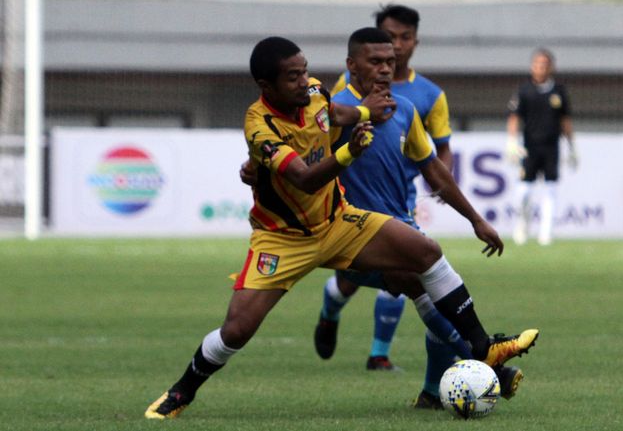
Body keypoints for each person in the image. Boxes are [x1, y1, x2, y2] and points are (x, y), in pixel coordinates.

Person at [145, 36, 536, 420]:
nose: (305, 81)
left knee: (426, 253)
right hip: (283, 239)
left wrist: (364, 113)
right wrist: (349, 151)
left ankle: (484, 349)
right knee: (237, 331)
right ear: (267, 86)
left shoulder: (316, 91)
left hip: (338, 221)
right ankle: (182, 391)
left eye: (305, 71)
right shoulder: (259, 126)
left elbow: (334, 113)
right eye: (293, 77)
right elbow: (305, 179)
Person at [316, 27, 532, 409]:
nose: (385, 68)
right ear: (351, 65)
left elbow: (434, 171)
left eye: (390, 62)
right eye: (375, 61)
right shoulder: (335, 111)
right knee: (421, 284)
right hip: (350, 237)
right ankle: (487, 360)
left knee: (436, 292)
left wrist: (475, 219)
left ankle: (433, 394)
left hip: (400, 230)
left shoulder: (406, 111)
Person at [319, 4, 456, 373]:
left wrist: (443, 179)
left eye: (403, 38)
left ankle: (380, 354)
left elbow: (440, 147)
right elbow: (326, 131)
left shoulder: (429, 95)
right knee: (348, 284)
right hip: (352, 202)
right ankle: (329, 310)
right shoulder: (345, 89)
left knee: (406, 277)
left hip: (399, 197)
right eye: (389, 36)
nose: (395, 45)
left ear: (414, 42)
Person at [506, 48, 577, 246]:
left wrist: (572, 146)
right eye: (537, 64)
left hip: (551, 148)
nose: (540, 68)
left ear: (551, 67)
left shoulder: (559, 92)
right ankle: (522, 223)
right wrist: (512, 142)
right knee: (524, 193)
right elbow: (514, 117)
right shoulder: (524, 90)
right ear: (532, 67)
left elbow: (565, 120)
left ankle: (546, 233)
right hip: (529, 148)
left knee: (551, 190)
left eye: (544, 65)